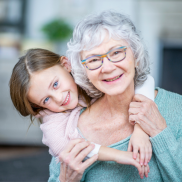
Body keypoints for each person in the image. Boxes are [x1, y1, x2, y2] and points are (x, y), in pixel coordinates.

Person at [48, 11, 182, 182]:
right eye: (93, 60)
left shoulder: (178, 108)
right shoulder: (72, 127)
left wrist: (159, 131)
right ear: (84, 71)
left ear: (136, 56)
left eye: (117, 53)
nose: (107, 68)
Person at [9, 48, 154, 179]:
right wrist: (121, 156)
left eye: (55, 84)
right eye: (46, 99)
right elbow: (72, 148)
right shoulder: (52, 123)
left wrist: (140, 130)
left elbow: (144, 80)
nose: (59, 98)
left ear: (66, 64)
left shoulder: (89, 74)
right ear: (38, 107)